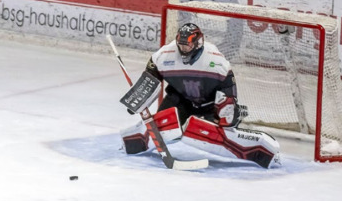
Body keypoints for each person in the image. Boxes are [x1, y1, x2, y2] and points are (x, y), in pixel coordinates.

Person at [119, 23, 280, 168]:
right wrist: (138, 98)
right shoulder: (164, 55)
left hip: (210, 104)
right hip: (181, 100)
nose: (183, 49)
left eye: (187, 45)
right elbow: (150, 80)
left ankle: (257, 148)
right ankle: (132, 141)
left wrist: (228, 111)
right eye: (180, 45)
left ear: (198, 43)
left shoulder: (216, 61)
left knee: (218, 127)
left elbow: (228, 90)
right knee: (165, 124)